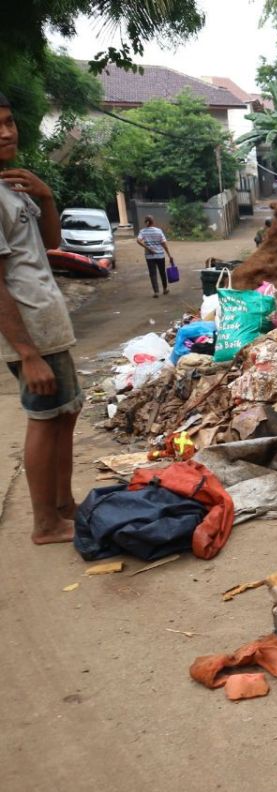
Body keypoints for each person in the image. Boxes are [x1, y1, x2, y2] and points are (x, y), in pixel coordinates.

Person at [0, 91, 83, 544]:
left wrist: (46, 196)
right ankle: (45, 524)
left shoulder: (13, 185)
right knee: (45, 416)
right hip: (29, 331)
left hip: (48, 323)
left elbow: (50, 243)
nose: (6, 131)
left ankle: (63, 505)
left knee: (66, 413)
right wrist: (26, 353)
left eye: (9, 122)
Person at [136, 215, 174, 297]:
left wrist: (148, 248)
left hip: (149, 256)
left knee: (152, 273)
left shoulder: (143, 231)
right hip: (160, 255)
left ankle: (156, 292)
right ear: (153, 222)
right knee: (162, 272)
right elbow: (164, 244)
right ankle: (165, 289)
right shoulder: (159, 231)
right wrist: (169, 255)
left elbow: (138, 241)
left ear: (146, 222)